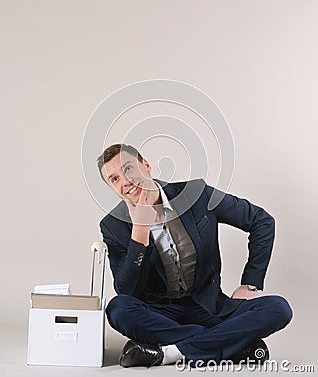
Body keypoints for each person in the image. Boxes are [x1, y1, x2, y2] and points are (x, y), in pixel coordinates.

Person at [97, 143, 292, 368]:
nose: (125, 181)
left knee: (278, 308)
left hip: (209, 307)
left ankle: (170, 353)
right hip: (159, 314)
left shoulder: (196, 194)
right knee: (118, 309)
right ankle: (230, 342)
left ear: (146, 165)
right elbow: (127, 291)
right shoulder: (112, 226)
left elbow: (261, 221)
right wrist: (139, 235)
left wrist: (250, 283)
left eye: (128, 168)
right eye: (115, 179)